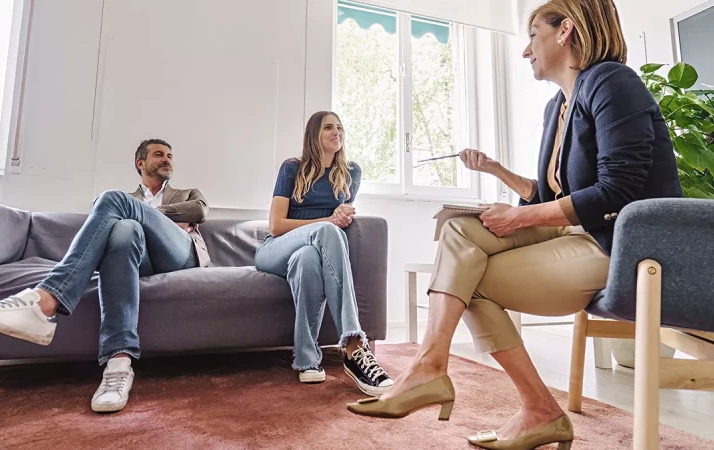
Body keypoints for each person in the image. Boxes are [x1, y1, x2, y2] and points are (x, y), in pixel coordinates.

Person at [347, 0, 683, 448]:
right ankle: (437, 370)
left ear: (564, 31)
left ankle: (519, 403)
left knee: (469, 279)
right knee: (458, 229)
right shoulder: (556, 107)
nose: (526, 51)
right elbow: (548, 197)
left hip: (622, 246)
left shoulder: (612, 82)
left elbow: (616, 191)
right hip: (580, 232)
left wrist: (519, 216)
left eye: (532, 35)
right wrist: (496, 172)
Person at [0, 138, 211, 413]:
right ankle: (118, 363)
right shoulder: (128, 201)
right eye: (159, 154)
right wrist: (143, 215)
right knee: (124, 231)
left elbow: (199, 210)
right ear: (140, 163)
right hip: (140, 257)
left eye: (170, 155)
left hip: (180, 254)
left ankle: (44, 301)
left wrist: (150, 213)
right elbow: (104, 222)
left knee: (112, 201)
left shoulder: (185, 192)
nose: (167, 159)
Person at [255, 111, 394, 396]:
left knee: (308, 260)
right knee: (328, 232)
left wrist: (343, 213)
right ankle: (354, 344)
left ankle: (306, 359)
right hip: (276, 249)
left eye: (340, 127)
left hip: (306, 252)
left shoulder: (351, 173)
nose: (337, 132)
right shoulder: (292, 168)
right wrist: (328, 222)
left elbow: (340, 219)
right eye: (328, 127)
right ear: (313, 135)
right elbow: (276, 225)